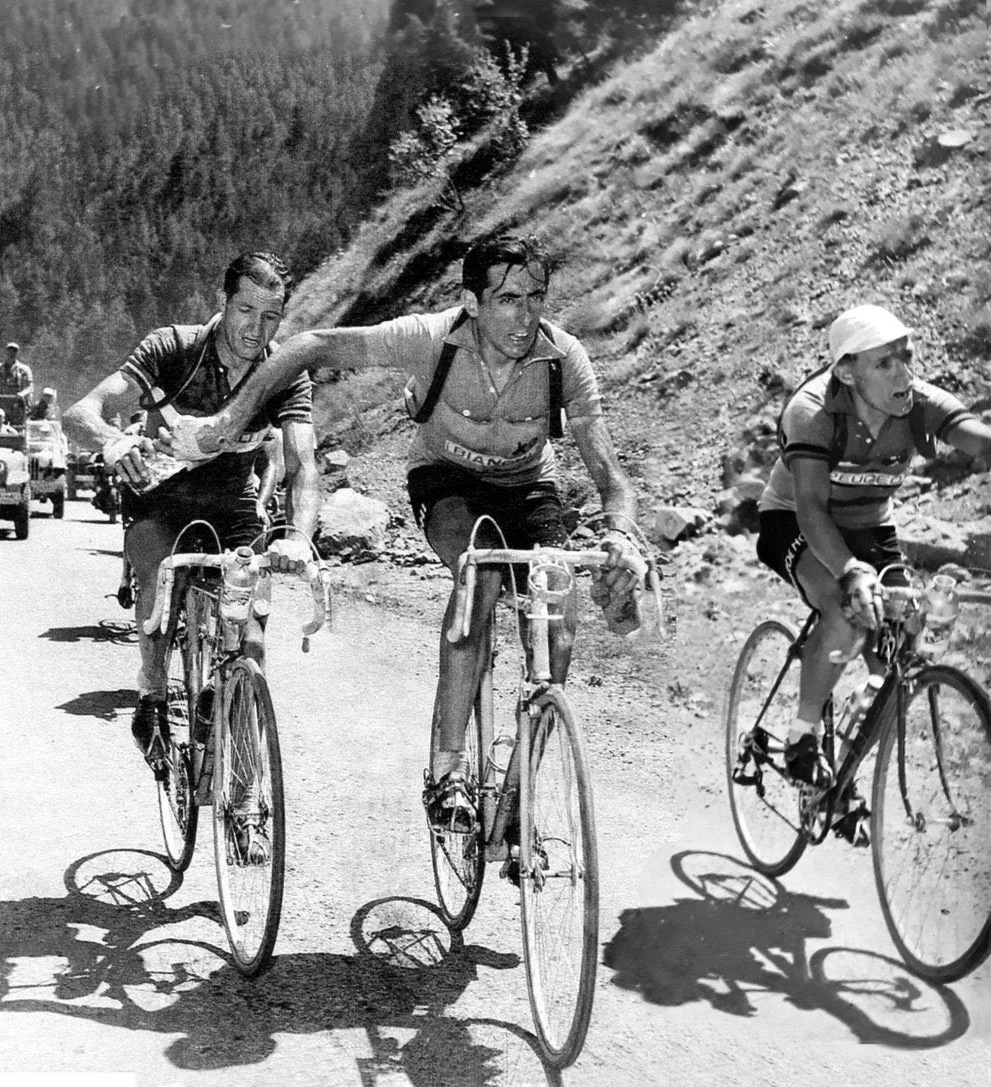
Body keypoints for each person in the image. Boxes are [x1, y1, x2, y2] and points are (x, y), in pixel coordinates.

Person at [188, 234, 647, 836]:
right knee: (477, 578)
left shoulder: (564, 358)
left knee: (558, 612)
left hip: (528, 486)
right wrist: (230, 417)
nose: (525, 314)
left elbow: (610, 476)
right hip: (446, 480)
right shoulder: (433, 339)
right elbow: (309, 346)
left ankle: (519, 790)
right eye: (508, 299)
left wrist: (621, 534)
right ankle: (447, 772)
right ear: (472, 301)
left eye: (535, 297)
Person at [64, 252, 320, 775]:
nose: (257, 328)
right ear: (223, 302)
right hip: (161, 503)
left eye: (271, 316)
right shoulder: (172, 348)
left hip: (234, 505)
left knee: (250, 634)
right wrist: (112, 443)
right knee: (158, 588)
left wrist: (299, 536)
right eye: (246, 310)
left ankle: (247, 791)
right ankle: (152, 692)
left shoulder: (283, 372)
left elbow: (303, 464)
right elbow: (79, 414)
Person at [756, 304, 991, 787]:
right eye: (884, 364)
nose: (903, 373)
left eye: (906, 357)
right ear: (846, 371)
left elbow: (981, 442)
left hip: (869, 523)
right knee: (846, 612)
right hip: (795, 519)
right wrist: (852, 571)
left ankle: (841, 779)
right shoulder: (811, 412)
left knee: (899, 649)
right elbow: (810, 509)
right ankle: (801, 738)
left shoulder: (916, 402)